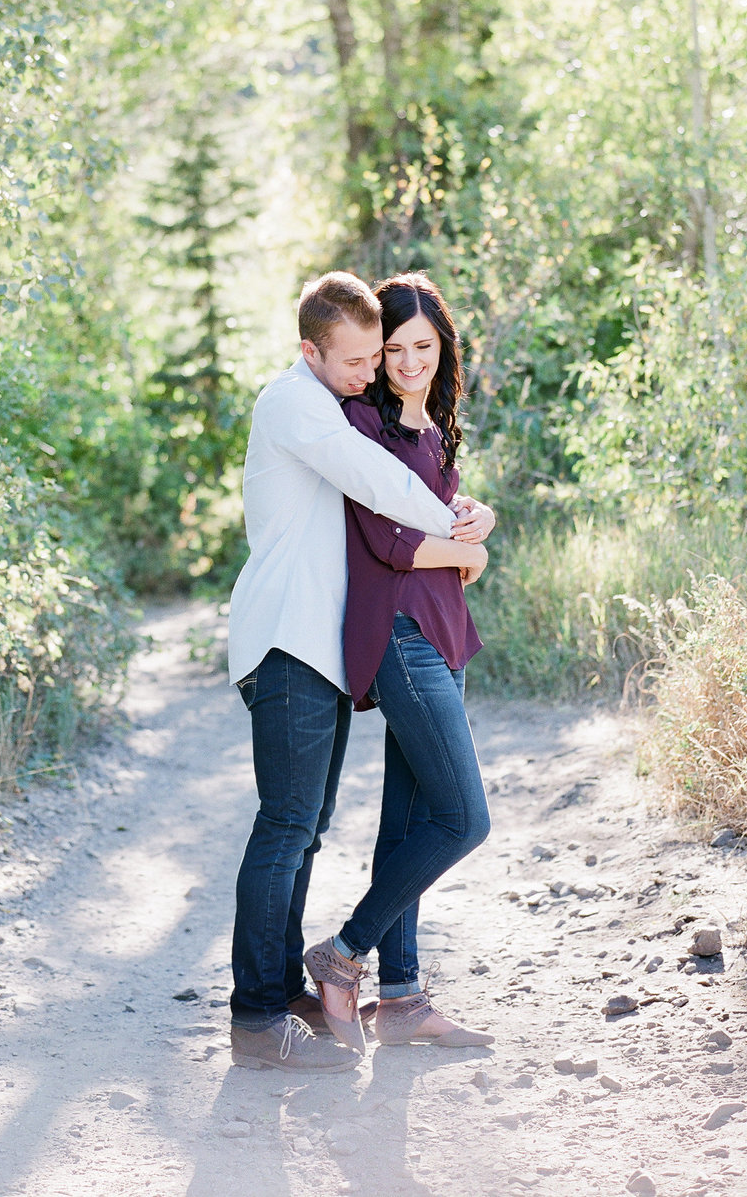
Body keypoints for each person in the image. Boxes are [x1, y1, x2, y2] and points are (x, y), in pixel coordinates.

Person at [227, 271, 494, 1072]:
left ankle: (283, 992)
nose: (369, 373)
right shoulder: (296, 403)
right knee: (285, 828)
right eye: (356, 361)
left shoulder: (334, 402)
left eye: (376, 357)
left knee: (304, 832)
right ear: (309, 350)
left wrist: (474, 512)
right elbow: (376, 483)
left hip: (320, 643)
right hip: (285, 637)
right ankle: (256, 1015)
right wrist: (460, 528)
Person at [303, 272, 494, 1053]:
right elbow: (390, 543)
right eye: (393, 349)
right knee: (464, 819)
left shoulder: (435, 426)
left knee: (410, 824)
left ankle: (404, 996)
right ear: (373, 354)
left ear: (442, 346)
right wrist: (469, 549)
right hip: (400, 638)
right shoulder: (359, 422)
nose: (409, 362)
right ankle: (344, 954)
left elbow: (439, 528)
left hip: (442, 634)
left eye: (423, 346)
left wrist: (479, 520)